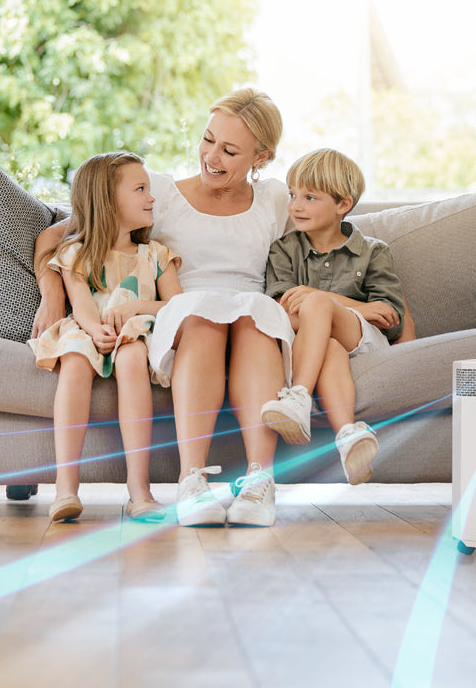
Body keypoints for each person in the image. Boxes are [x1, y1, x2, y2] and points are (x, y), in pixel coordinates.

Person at [34, 88, 300, 528]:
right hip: (182, 314)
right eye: (207, 139)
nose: (211, 155)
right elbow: (55, 237)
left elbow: (325, 241)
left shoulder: (273, 197)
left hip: (248, 311)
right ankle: (191, 480)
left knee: (255, 317)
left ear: (261, 156)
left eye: (230, 150)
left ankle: (259, 479)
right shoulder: (159, 192)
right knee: (202, 318)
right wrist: (53, 294)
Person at [29, 152, 182, 523]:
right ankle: (66, 487)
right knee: (76, 360)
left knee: (131, 358)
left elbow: (178, 305)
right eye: (141, 189)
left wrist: (138, 307)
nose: (151, 198)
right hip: (89, 328)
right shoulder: (75, 253)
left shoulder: (155, 254)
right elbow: (80, 303)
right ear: (106, 199)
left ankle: (139, 490)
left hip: (134, 332)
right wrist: (95, 328)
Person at [263, 148, 406, 485]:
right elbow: (281, 306)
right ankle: (349, 437)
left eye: (309, 197)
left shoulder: (372, 251)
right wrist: (355, 305)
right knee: (327, 343)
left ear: (343, 204)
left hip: (362, 338)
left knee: (314, 305)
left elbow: (390, 316)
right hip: (316, 342)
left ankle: (298, 395)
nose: (295, 205)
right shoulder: (283, 250)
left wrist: (324, 301)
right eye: (292, 194)